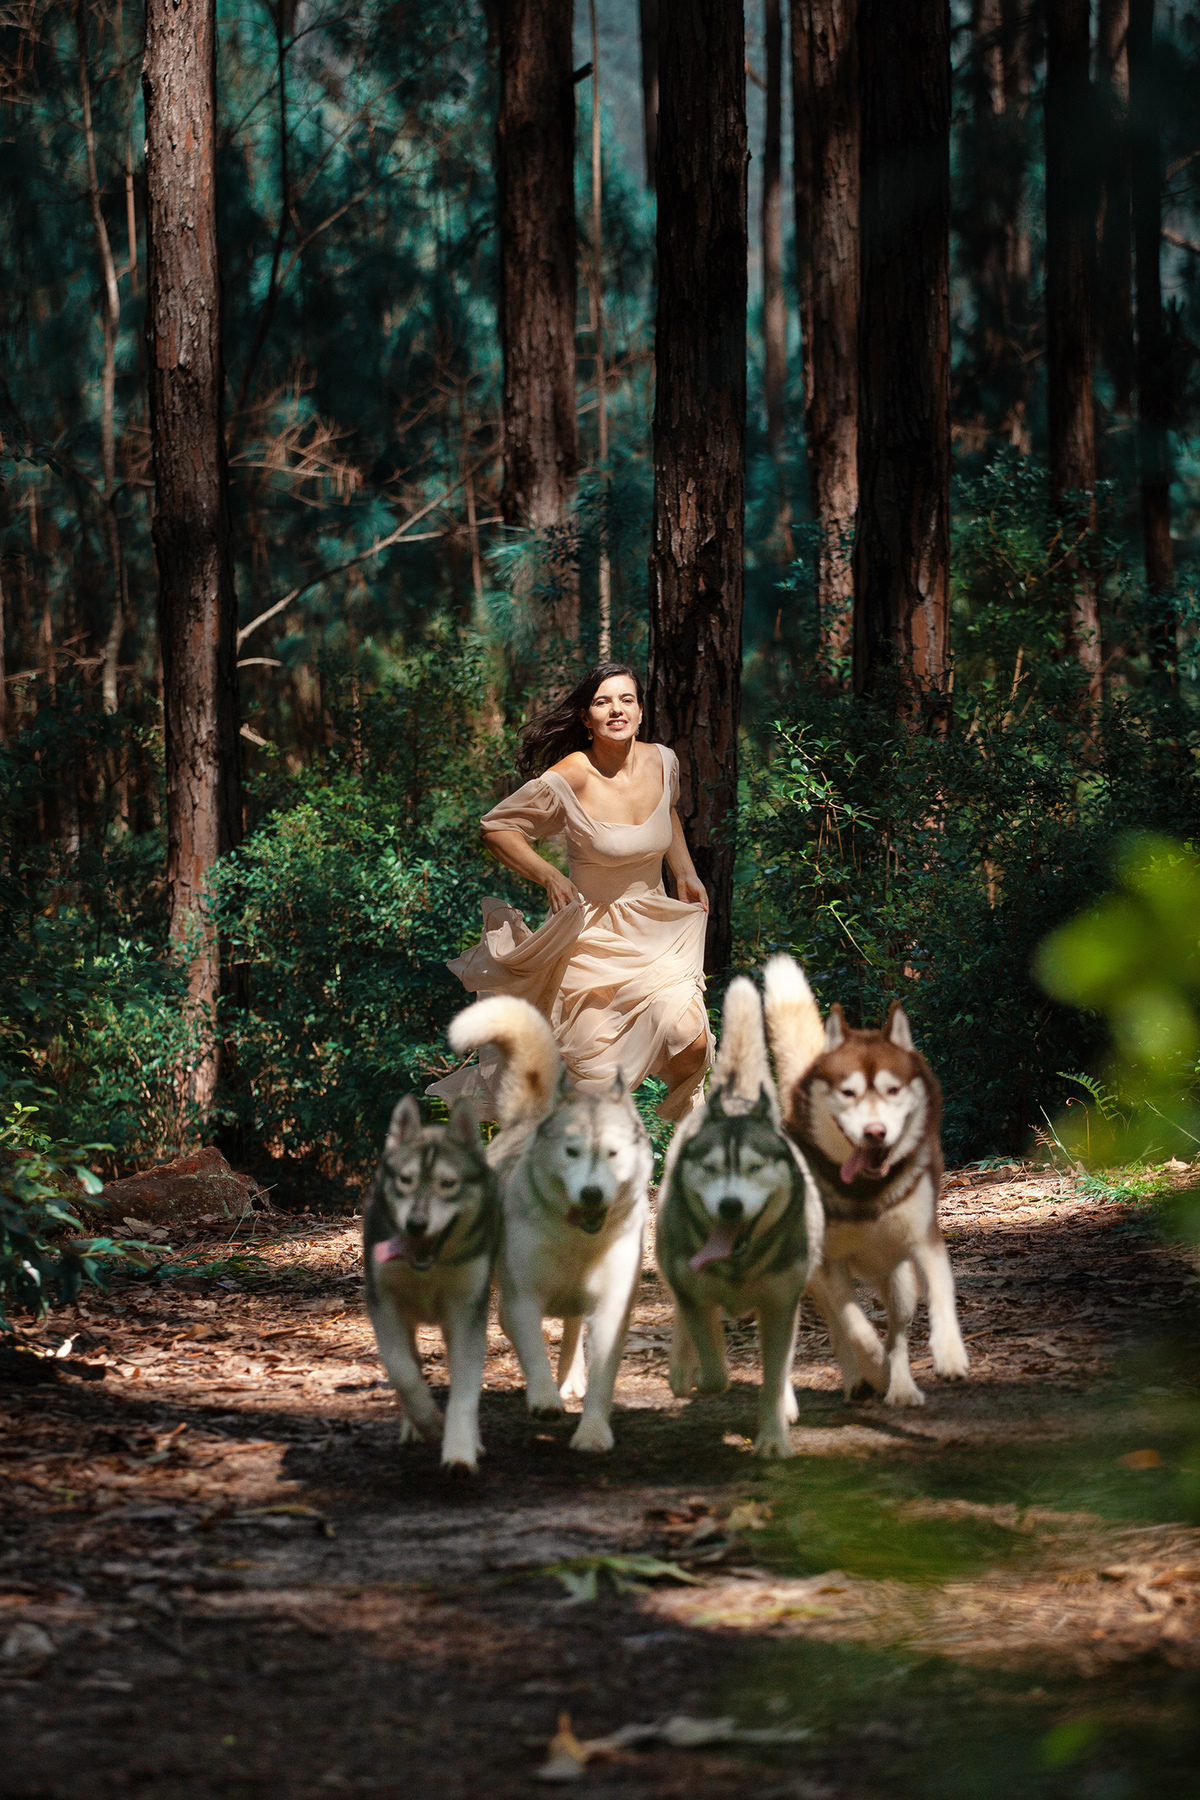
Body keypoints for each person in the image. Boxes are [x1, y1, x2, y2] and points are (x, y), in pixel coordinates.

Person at [427, 662, 714, 1121]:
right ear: (586, 718)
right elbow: (497, 828)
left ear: (640, 710)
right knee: (594, 1080)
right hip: (593, 938)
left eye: (626, 700)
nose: (616, 710)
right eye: (603, 702)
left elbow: (670, 812)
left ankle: (685, 1130)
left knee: (692, 1039)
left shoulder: (664, 760)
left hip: (659, 931)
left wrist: (685, 871)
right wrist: (550, 875)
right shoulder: (571, 776)